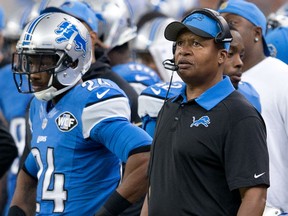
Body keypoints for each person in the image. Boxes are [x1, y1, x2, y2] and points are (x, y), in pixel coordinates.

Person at [8, 12, 151, 216]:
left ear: (73, 62)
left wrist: (107, 212)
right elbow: (34, 167)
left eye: (43, 62)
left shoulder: (90, 101)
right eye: (30, 62)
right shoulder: (39, 106)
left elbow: (145, 156)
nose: (33, 73)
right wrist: (17, 209)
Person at [140, 8, 269, 216]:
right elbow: (155, 186)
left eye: (196, 43)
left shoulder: (239, 115)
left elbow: (254, 197)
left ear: (221, 56)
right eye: (180, 43)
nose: (184, 50)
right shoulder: (170, 106)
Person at [219, 1, 288, 213]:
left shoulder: (282, 77)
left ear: (257, 33)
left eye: (232, 22)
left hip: (273, 208)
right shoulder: (214, 81)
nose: (224, 29)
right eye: (220, 23)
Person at [41, 0, 142, 124]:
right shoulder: (44, 88)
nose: (56, 33)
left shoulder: (121, 91)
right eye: (54, 25)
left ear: (91, 38)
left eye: (67, 25)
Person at [223, 29, 261, 112]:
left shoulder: (250, 95)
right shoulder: (189, 93)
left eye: (241, 55)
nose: (240, 63)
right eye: (230, 53)